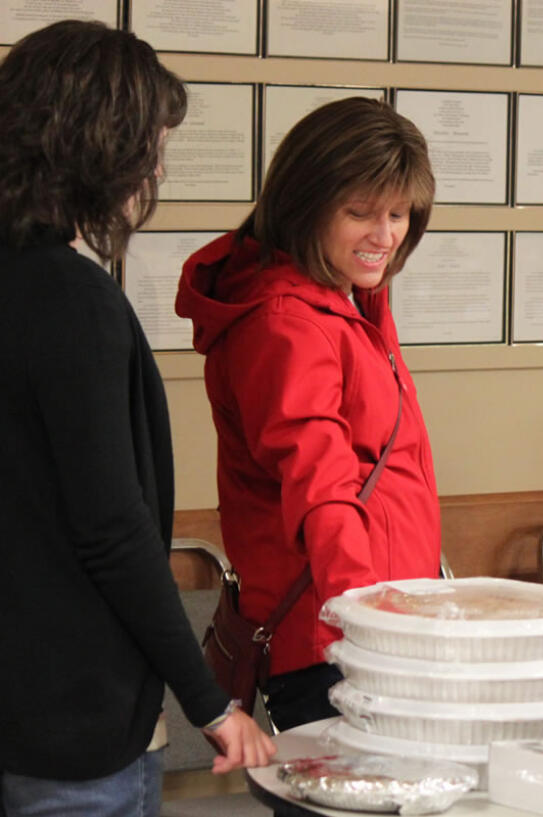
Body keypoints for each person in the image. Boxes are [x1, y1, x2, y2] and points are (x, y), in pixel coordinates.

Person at [0, 20, 274, 817]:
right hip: (69, 724)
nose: (156, 163)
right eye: (151, 140)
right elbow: (111, 526)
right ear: (101, 143)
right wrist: (211, 701)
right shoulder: (70, 297)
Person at [176, 97, 441, 732]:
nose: (384, 236)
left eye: (399, 214)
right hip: (343, 643)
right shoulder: (287, 324)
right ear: (305, 206)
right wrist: (369, 619)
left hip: (374, 626)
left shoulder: (346, 303)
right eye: (360, 214)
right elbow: (320, 483)